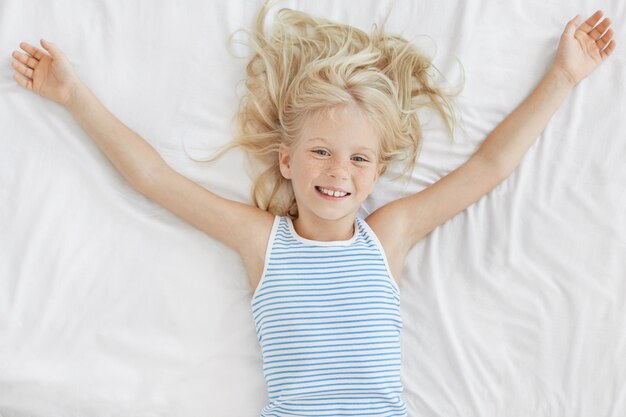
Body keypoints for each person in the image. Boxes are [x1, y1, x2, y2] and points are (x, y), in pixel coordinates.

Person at [10, 1, 616, 415]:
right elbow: (154, 178)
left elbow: (489, 167)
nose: (337, 172)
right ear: (286, 161)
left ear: (377, 172)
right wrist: (73, 95)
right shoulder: (262, 241)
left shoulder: (390, 233)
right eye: (321, 152)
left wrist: (563, 77)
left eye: (358, 159)